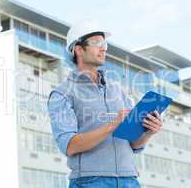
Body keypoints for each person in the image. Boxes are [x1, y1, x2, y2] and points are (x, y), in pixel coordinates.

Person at [47, 19, 163, 188]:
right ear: (78, 49)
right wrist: (112, 125)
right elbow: (70, 145)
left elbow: (132, 143)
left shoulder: (117, 90)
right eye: (97, 43)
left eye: (105, 43)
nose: (103, 48)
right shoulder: (62, 94)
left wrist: (148, 132)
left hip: (129, 180)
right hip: (90, 182)